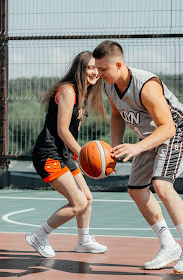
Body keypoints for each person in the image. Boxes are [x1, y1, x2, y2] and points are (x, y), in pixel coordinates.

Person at [93, 40, 183, 273]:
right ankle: (168, 245)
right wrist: (114, 148)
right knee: (136, 190)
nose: (98, 73)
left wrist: (136, 148)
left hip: (176, 131)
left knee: (162, 186)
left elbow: (168, 128)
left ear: (119, 64)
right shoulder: (109, 85)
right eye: (97, 68)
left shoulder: (146, 86)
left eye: (103, 69)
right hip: (147, 136)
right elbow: (117, 115)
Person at [26, 51, 108, 258]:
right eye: (90, 67)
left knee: (87, 198)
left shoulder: (83, 96)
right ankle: (39, 236)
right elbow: (62, 130)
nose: (94, 72)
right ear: (80, 69)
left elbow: (71, 133)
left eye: (97, 68)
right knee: (78, 202)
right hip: (48, 154)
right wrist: (83, 155)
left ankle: (83, 241)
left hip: (63, 154)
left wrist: (84, 158)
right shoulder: (67, 91)